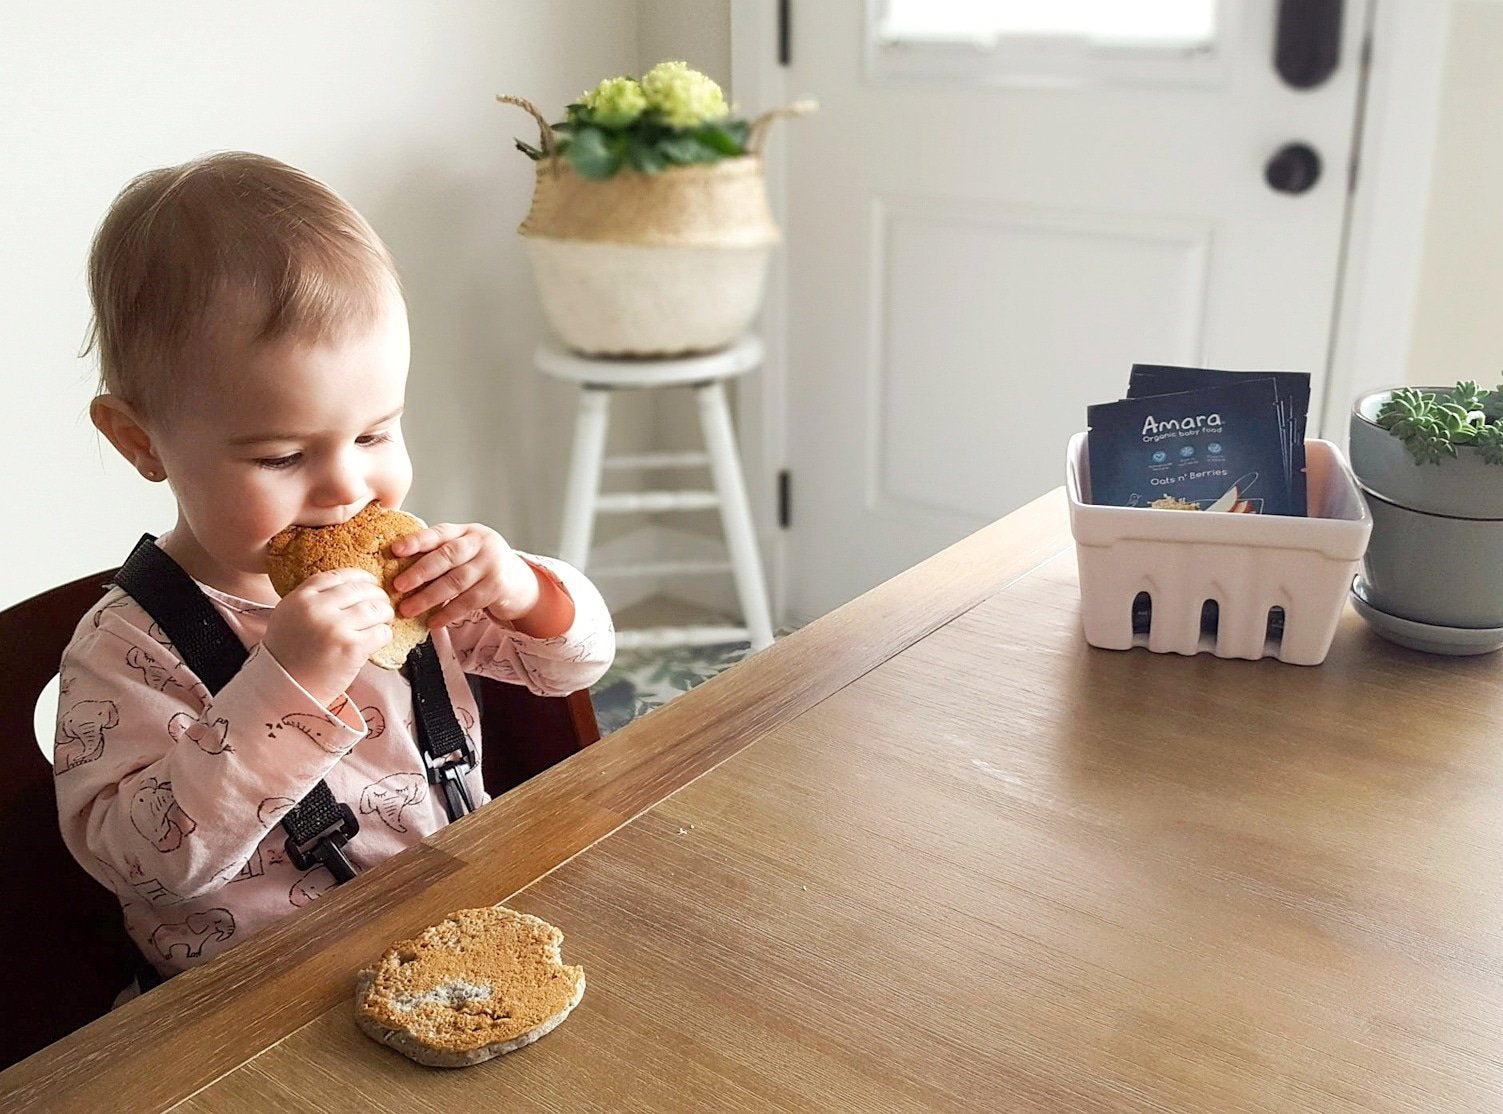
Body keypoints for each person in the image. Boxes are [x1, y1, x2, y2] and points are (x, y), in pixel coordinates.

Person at [54, 151, 614, 985]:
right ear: (141, 441)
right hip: (251, 1005)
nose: (347, 489)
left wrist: (522, 591)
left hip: (454, 935)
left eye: (375, 434)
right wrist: (285, 684)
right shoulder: (125, 650)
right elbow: (144, 865)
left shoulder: (404, 576)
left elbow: (573, 666)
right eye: (282, 455)